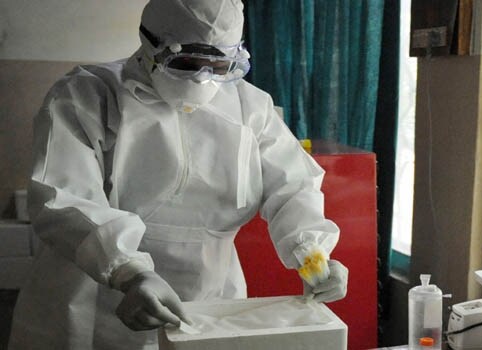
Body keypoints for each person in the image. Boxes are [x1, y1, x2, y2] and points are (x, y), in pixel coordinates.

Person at [8, 0, 348, 349]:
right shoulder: (88, 94)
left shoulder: (251, 108)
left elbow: (293, 186)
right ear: (149, 44)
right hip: (94, 292)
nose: (203, 78)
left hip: (210, 300)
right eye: (186, 63)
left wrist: (312, 252)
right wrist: (128, 272)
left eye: (219, 65)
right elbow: (64, 196)